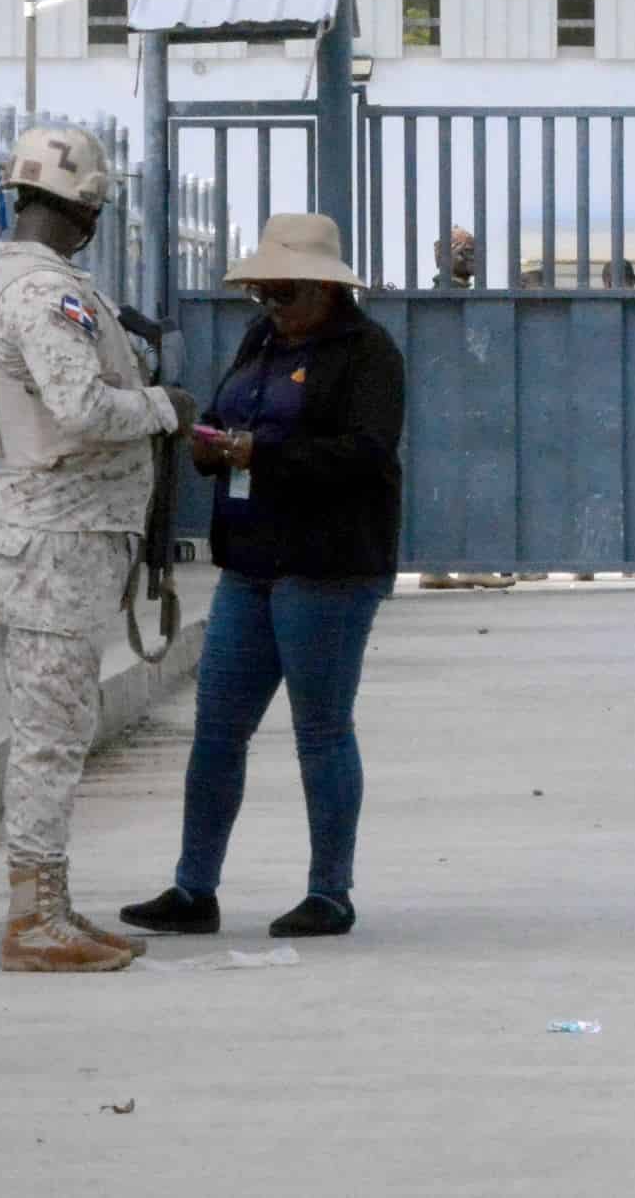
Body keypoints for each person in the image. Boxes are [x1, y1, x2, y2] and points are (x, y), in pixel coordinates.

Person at [119, 213, 407, 942]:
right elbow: (223, 412)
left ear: (324, 291)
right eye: (264, 296)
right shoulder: (262, 342)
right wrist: (213, 446)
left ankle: (330, 892)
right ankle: (195, 888)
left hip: (327, 568)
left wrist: (263, 455)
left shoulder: (368, 354)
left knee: (320, 732)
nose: (272, 309)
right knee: (217, 730)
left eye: (285, 295)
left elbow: (366, 453)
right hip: (250, 560)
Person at [0, 124, 196, 974]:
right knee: (51, 732)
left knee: (59, 726)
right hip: (56, 538)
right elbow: (84, 411)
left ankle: (50, 904)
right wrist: (165, 406)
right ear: (87, 212)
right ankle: (34, 919)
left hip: (60, 535)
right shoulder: (43, 296)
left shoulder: (21, 287)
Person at [420, 229, 513, 592]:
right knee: (471, 484)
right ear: (440, 254)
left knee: (441, 487)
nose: (471, 255)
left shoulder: (445, 297)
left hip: (447, 406)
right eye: (463, 249)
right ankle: (471, 564)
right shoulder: (447, 298)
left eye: (474, 249)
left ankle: (437, 567)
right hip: (458, 406)